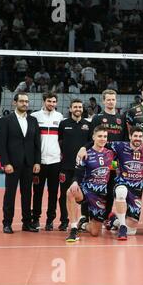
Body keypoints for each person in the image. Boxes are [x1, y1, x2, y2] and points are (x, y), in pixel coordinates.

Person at [0, 92, 41, 234]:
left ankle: (26, 223)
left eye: (26, 101)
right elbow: (1, 144)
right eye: (22, 101)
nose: (25, 104)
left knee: (27, 194)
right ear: (14, 103)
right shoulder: (6, 120)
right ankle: (7, 223)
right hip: (12, 164)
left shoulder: (33, 121)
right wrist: (5, 163)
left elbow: (36, 144)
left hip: (29, 164)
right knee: (10, 194)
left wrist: (37, 162)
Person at [65, 126, 115, 242]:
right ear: (93, 137)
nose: (102, 139)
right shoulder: (85, 153)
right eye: (100, 136)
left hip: (101, 195)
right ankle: (73, 229)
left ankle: (82, 225)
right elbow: (77, 172)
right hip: (86, 190)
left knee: (95, 232)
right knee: (70, 192)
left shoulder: (111, 153)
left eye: (105, 136)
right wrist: (74, 182)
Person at [88, 89, 127, 226]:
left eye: (113, 99)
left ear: (116, 101)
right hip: (98, 161)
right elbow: (90, 139)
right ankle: (89, 216)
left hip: (114, 162)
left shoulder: (121, 119)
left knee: (110, 188)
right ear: (103, 101)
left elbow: (125, 141)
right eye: (108, 99)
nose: (111, 101)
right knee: (95, 188)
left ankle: (106, 217)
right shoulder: (97, 118)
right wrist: (83, 149)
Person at [31, 92, 64, 231]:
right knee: (37, 192)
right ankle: (36, 219)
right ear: (44, 101)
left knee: (53, 192)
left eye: (54, 101)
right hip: (39, 162)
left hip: (55, 161)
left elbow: (62, 139)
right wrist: (34, 160)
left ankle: (50, 220)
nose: (52, 104)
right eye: (49, 101)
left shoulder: (60, 117)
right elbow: (31, 140)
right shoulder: (34, 116)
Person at [58, 99, 90, 231]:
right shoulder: (63, 124)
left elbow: (91, 142)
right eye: (75, 107)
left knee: (84, 195)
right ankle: (65, 221)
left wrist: (83, 148)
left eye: (80, 107)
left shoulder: (87, 125)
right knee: (65, 194)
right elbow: (59, 141)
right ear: (70, 109)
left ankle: (83, 220)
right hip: (66, 166)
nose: (78, 109)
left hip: (83, 168)